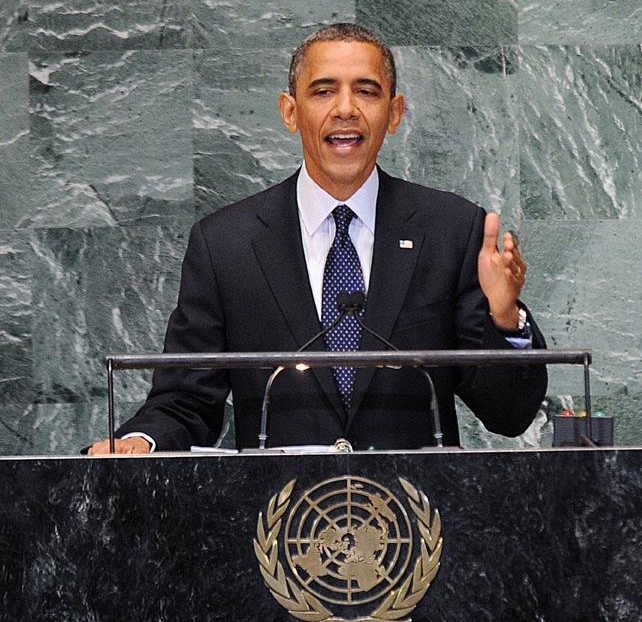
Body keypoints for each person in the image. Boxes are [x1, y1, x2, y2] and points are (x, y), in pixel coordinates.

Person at [88, 23, 547, 455]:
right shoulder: (226, 244)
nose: (345, 108)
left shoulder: (450, 229)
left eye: (366, 91)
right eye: (323, 90)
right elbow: (185, 400)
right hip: (277, 522)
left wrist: (504, 317)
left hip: (418, 523)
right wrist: (140, 441)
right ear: (290, 111)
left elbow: (508, 414)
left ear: (394, 113)